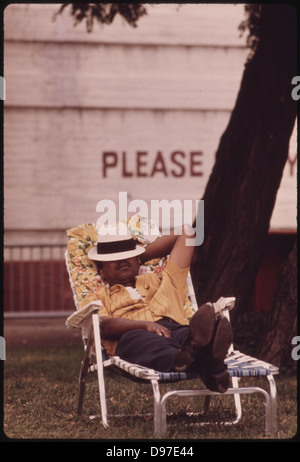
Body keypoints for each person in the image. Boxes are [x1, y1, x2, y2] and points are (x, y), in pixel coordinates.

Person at [88, 223, 233, 393]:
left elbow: (186, 233)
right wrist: (145, 325)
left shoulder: (164, 281)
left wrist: (136, 258)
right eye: (114, 258)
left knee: (190, 335)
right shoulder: (98, 297)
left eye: (128, 255)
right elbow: (103, 327)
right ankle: (209, 366)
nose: (122, 260)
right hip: (132, 338)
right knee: (152, 343)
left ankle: (195, 356)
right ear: (102, 273)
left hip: (175, 331)